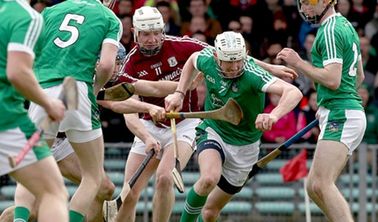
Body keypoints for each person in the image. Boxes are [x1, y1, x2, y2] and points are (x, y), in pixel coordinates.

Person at [105, 6, 299, 222]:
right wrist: (148, 120)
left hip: (184, 123)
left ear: (163, 29)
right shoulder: (131, 63)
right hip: (150, 125)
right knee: (129, 192)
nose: (152, 39)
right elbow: (123, 105)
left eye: (156, 32)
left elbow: (228, 57)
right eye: (145, 34)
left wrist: (269, 69)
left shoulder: (182, 45)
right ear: (134, 33)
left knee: (164, 178)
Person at [165, 31, 303, 222]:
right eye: (228, 62)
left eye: (238, 60)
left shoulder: (252, 74)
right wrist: (179, 93)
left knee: (210, 212)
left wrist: (273, 115)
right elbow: (192, 59)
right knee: (208, 179)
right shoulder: (208, 61)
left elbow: (293, 92)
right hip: (214, 130)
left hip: (246, 146)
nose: (234, 67)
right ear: (216, 57)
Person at [0, 43, 129, 222]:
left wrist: (163, 101)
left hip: (62, 143)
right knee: (37, 208)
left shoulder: (87, 78)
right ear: (97, 60)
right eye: (116, 61)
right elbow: (116, 104)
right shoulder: (78, 77)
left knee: (105, 189)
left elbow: (136, 91)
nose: (117, 67)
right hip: (50, 140)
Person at [24, 0, 122, 221]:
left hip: (42, 90)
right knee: (93, 178)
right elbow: (106, 65)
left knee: (32, 172)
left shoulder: (49, 11)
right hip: (77, 88)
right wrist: (95, 88)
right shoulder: (108, 17)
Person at [275, 0, 366, 221]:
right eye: (302, 3)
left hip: (342, 113)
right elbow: (359, 76)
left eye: (309, 2)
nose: (304, 7)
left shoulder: (330, 30)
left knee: (323, 184)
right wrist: (327, 103)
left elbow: (333, 79)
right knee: (313, 186)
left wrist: (298, 62)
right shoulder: (345, 25)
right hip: (339, 110)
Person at [0, 0, 68, 221]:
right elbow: (17, 72)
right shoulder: (27, 17)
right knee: (53, 192)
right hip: (7, 119)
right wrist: (49, 103)